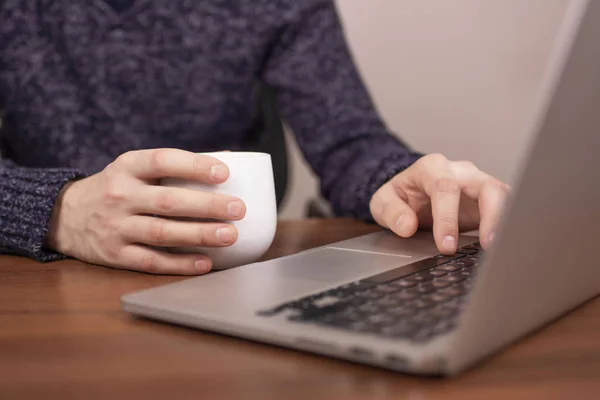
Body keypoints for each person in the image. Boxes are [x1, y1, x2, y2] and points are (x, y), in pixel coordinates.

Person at [0, 0, 509, 275]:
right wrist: (54, 210)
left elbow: (350, 142)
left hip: (229, 282)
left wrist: (397, 181)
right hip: (44, 281)